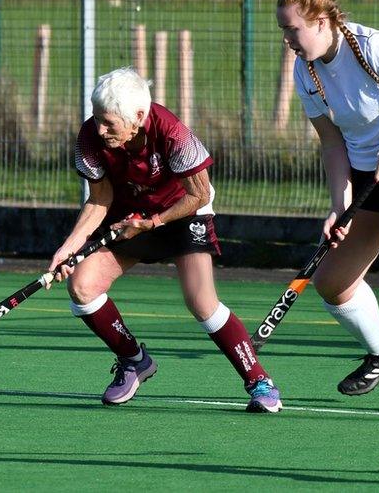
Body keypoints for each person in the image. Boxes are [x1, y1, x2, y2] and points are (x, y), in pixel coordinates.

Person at [48, 67, 282, 413]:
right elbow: (99, 199)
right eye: (96, 118)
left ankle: (260, 382)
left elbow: (199, 194)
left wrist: (153, 222)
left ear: (138, 117)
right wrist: (67, 249)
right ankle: (134, 359)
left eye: (109, 122)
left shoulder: (173, 134)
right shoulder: (90, 138)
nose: (100, 129)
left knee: (201, 302)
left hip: (184, 213)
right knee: (82, 286)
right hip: (130, 217)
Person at [276, 0, 379, 408]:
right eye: (283, 31)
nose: (287, 41)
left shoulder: (374, 47)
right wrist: (340, 208)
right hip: (365, 172)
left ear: (322, 22)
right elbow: (331, 142)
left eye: (293, 30)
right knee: (333, 281)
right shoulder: (307, 70)